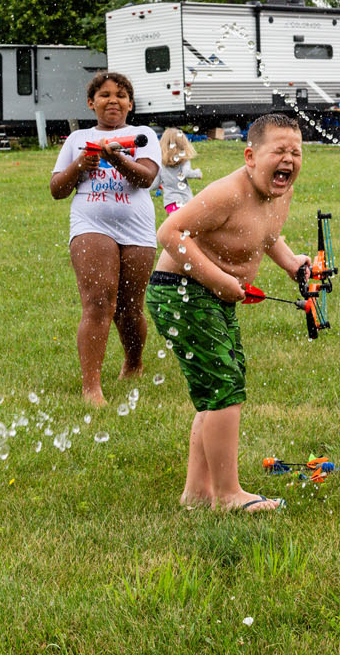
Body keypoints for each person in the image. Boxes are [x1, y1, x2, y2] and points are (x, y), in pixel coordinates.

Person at [146, 113, 310, 513]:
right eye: (279, 151)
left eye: (296, 151)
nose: (288, 159)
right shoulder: (227, 193)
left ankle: (198, 493)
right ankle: (228, 495)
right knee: (223, 386)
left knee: (220, 384)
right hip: (181, 291)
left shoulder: (278, 193)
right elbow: (169, 232)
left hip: (210, 295)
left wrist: (291, 263)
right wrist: (218, 278)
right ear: (251, 156)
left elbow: (266, 233)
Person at [49, 72, 160, 406]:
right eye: (105, 95)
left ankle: (133, 362)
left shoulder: (142, 135)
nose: (114, 100)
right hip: (90, 223)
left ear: (130, 104)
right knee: (98, 303)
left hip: (137, 227)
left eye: (122, 95)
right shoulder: (77, 139)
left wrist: (118, 159)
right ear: (91, 102)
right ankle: (91, 388)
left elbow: (146, 178)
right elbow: (57, 189)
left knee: (129, 310)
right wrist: (80, 165)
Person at [157, 128, 202, 215]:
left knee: (176, 226)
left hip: (171, 203)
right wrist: (197, 173)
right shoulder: (184, 161)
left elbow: (155, 183)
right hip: (186, 202)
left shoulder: (161, 164)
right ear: (183, 144)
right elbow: (187, 173)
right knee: (188, 226)